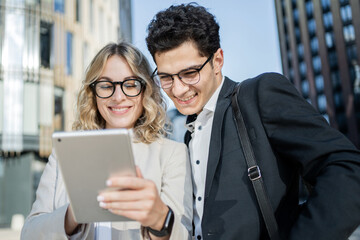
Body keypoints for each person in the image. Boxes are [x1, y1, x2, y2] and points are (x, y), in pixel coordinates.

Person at [145, 3, 360, 240]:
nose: (177, 89)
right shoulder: (188, 132)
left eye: (189, 73)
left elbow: (347, 168)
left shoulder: (259, 95)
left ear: (217, 61)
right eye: (166, 77)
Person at [20, 42, 193, 240]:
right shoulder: (64, 154)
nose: (118, 97)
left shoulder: (172, 154)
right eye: (106, 86)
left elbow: (185, 234)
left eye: (130, 85)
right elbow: (29, 234)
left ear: (145, 90)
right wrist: (73, 214)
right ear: (93, 93)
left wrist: (160, 219)